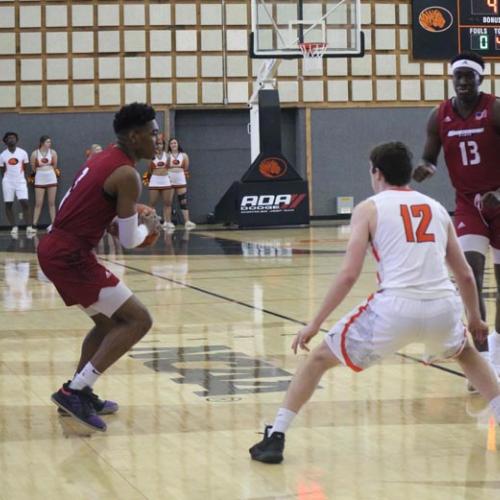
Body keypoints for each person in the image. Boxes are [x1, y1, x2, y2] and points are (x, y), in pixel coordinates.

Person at [249, 141, 500, 464]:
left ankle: (277, 436)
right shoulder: (437, 208)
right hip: (442, 305)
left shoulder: (369, 208)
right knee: (466, 354)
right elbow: (465, 274)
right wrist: (475, 318)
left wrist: (314, 323)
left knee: (318, 360)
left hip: (394, 309)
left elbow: (349, 275)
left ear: (376, 172)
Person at [37, 102, 161, 432]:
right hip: (69, 255)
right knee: (139, 320)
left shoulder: (103, 158)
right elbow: (130, 240)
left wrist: (110, 221)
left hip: (59, 247)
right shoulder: (127, 174)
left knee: (108, 324)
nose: (159, 139)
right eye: (153, 133)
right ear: (134, 137)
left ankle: (80, 389)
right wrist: (150, 228)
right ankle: (73, 391)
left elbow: (91, 208)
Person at [413, 52, 500, 385]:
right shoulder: (439, 115)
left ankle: (498, 351)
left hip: (499, 200)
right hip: (468, 204)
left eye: (469, 76)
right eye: (458, 77)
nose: (463, 82)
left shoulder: (494, 108)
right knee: (471, 272)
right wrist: (427, 168)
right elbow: (429, 156)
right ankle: (481, 357)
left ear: (481, 78)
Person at [0, 132, 35, 237]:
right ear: (5, 141)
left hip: (20, 181)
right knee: (8, 204)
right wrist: (7, 179)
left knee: (25, 202)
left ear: (17, 140)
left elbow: (25, 167)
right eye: (9, 138)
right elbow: (2, 170)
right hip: (8, 182)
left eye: (13, 138)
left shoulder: (23, 153)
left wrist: (24, 178)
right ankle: (14, 227)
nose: (11, 139)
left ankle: (29, 227)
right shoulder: (2, 155)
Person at [30, 135, 60, 231]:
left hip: (51, 177)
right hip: (39, 177)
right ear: (42, 143)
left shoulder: (53, 152)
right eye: (47, 142)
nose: (49, 144)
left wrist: (48, 171)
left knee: (51, 203)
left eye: (50, 142)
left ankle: (54, 224)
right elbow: (33, 167)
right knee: (38, 203)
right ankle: (34, 225)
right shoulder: (35, 153)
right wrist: (40, 172)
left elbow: (55, 166)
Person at [147, 135, 175, 230]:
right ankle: (151, 223)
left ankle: (168, 222)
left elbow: (169, 168)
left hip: (165, 180)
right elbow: (150, 170)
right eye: (157, 144)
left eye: (161, 144)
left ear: (164, 145)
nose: (159, 146)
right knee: (152, 203)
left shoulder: (167, 156)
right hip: (155, 180)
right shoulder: (151, 156)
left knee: (168, 203)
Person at [167, 137, 196, 229]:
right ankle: (168, 222)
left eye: (175, 143)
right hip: (169, 179)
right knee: (168, 201)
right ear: (169, 146)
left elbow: (186, 167)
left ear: (178, 144)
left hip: (180, 179)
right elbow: (165, 167)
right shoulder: (167, 155)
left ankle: (187, 221)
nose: (173, 145)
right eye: (171, 143)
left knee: (183, 201)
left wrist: (184, 178)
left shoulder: (184, 155)